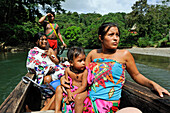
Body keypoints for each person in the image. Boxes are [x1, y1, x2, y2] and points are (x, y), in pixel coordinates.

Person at [81, 22, 170, 113]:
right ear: (101, 38)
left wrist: (153, 84)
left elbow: (136, 75)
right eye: (111, 35)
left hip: (109, 106)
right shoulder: (93, 54)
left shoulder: (124, 55)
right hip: (88, 103)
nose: (115, 38)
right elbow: (82, 75)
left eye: (117, 35)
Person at [55, 47, 88, 113]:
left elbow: (84, 86)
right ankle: (57, 110)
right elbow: (66, 83)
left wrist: (73, 94)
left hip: (80, 91)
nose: (83, 63)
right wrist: (69, 93)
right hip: (70, 89)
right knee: (59, 88)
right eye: (80, 61)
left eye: (84, 60)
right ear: (71, 62)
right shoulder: (68, 70)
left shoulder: (84, 72)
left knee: (78, 98)